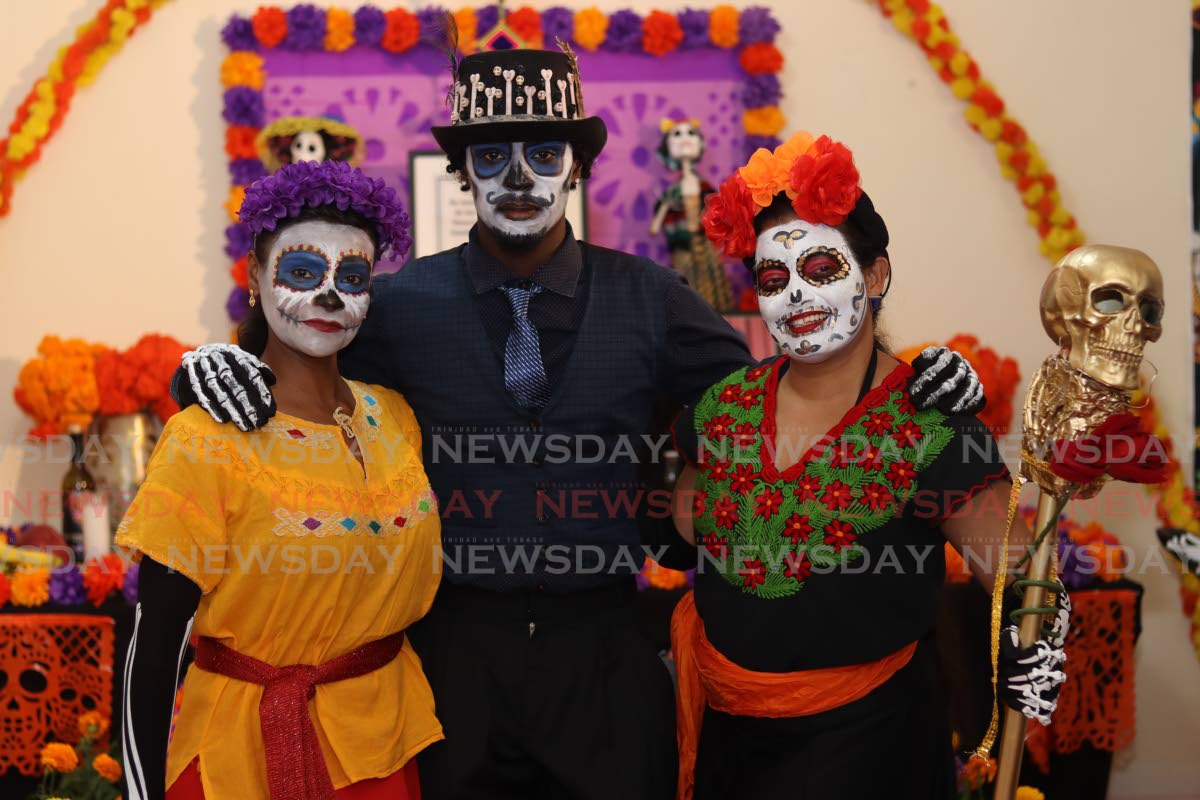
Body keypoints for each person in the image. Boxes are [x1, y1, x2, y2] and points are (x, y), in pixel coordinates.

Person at [170, 48, 983, 800]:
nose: (518, 177)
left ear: (577, 170)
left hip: (602, 654)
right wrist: (207, 367)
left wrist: (912, 376)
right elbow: (302, 375)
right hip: (449, 658)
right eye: (491, 157)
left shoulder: (651, 297)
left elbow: (785, 388)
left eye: (544, 154)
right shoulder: (401, 302)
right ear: (462, 174)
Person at [668, 131, 1070, 800]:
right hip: (730, 751)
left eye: (822, 271)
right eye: (775, 279)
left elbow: (1024, 580)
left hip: (872, 752)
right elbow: (682, 531)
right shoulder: (724, 406)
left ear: (876, 275)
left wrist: (1040, 642)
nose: (797, 295)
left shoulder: (931, 423)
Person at [118, 160, 442, 800]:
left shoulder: (394, 417)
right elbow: (153, 644)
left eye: (352, 278)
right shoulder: (205, 439)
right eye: (302, 272)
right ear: (256, 277)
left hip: (384, 747)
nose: (329, 297)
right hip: (245, 758)